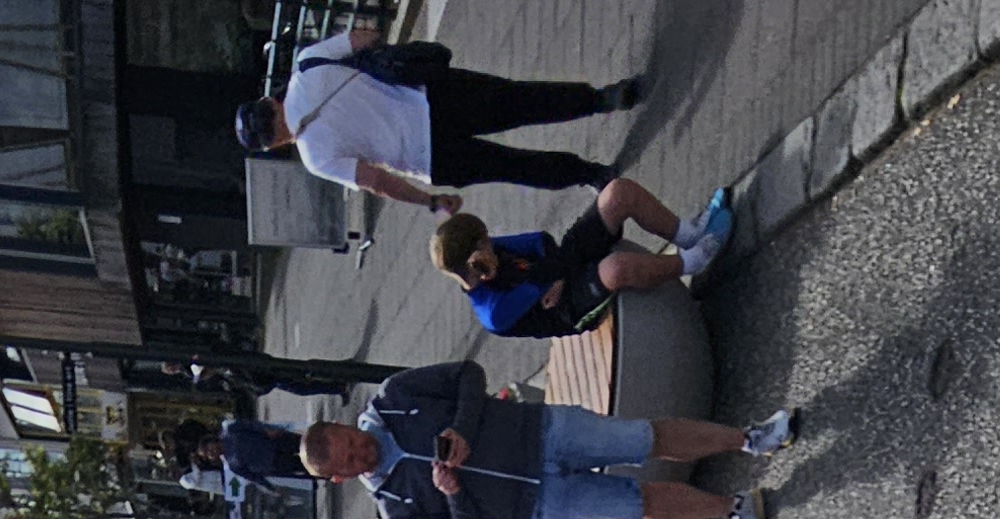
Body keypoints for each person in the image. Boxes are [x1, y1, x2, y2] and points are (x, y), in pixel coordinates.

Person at [304, 367, 796, 519]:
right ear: (342, 478)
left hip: (541, 432)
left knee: (645, 438)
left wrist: (461, 429)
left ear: (346, 425)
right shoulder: (393, 505)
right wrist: (454, 498)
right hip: (539, 503)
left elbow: (469, 376)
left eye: (352, 439)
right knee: (635, 503)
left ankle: (751, 439)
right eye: (352, 459)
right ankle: (734, 508)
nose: (361, 450)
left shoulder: (394, 397)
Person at [236, 32, 640, 209]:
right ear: (269, 100)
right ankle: (601, 99)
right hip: (433, 95)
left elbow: (377, 182)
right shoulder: (307, 65)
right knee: (519, 99)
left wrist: (429, 201)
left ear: (274, 144)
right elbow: (366, 37)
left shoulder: (314, 156)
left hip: (428, 156)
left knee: (513, 166)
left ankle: (594, 175)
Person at [433, 182, 734, 338]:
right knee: (616, 269)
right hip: (570, 309)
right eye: (485, 239)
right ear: (473, 254)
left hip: (563, 267)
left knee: (618, 193)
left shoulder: (487, 249)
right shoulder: (492, 313)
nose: (492, 240)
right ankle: (693, 261)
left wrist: (556, 275)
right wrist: (552, 275)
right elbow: (539, 280)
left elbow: (540, 241)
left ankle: (689, 233)